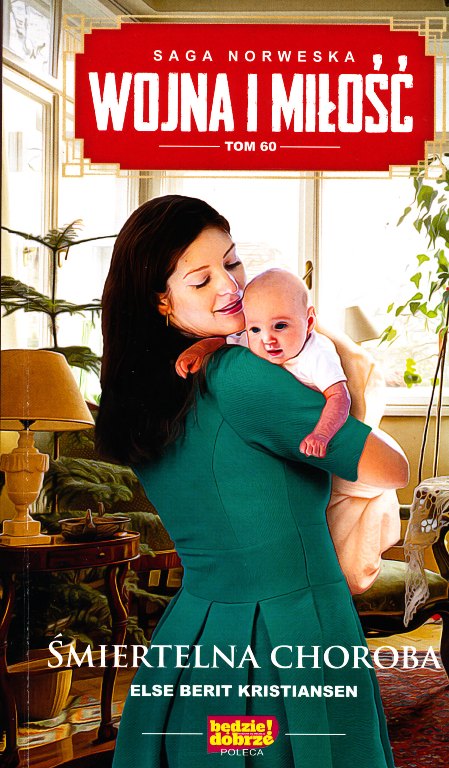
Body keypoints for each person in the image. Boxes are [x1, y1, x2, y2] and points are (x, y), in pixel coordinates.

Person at [96, 194, 409, 768]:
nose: (230, 286)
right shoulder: (238, 375)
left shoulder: (141, 391)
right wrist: (331, 355)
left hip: (196, 637)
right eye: (201, 279)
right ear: (161, 300)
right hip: (292, 633)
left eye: (232, 262)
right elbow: (392, 467)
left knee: (221, 752)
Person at [175, 268, 401, 592]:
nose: (267, 338)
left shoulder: (316, 353)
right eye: (255, 328)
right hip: (288, 445)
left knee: (341, 519)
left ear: (309, 322)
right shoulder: (253, 339)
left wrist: (321, 433)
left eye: (280, 326)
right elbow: (224, 340)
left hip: (327, 430)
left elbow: (339, 397)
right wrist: (199, 350)